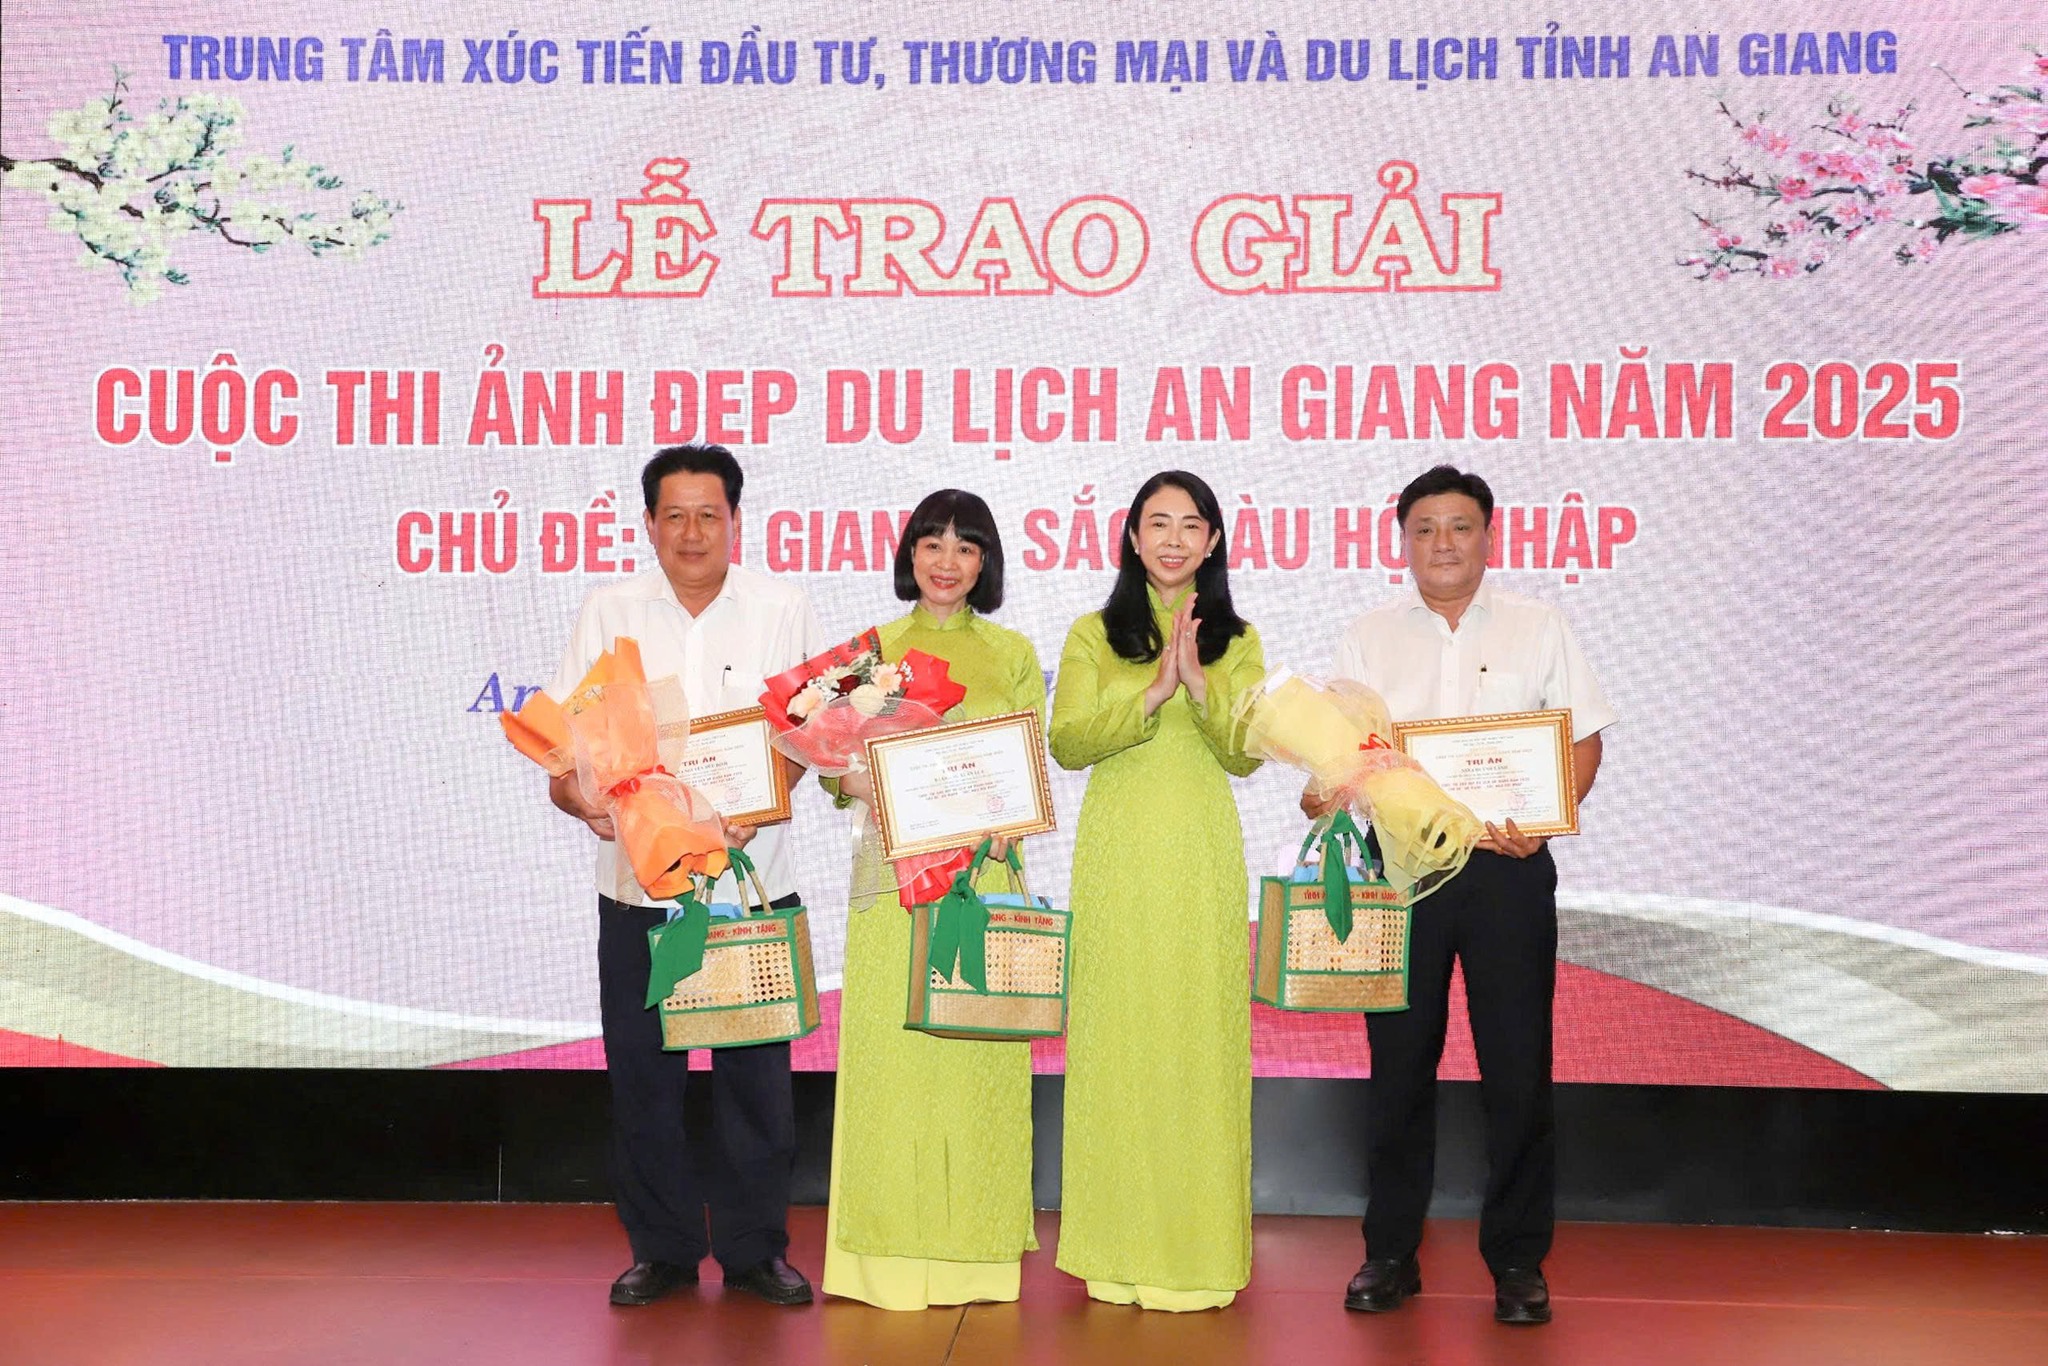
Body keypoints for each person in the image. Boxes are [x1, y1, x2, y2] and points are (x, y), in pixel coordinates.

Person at [1312, 464, 1615, 1327]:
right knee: (1399, 1067)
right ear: (1403, 541)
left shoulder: (1538, 626)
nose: (1442, 544)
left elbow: (1583, 741)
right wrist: (1338, 787)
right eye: (1425, 529)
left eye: (1459, 527)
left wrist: (1546, 822)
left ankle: (1518, 1260)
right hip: (1403, 873)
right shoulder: (1369, 638)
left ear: (1488, 535)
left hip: (1508, 870)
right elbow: (1345, 756)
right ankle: (1389, 1252)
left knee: (1517, 1068)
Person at [544, 444, 825, 1308]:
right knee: (644, 1078)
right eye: (675, 516)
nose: (693, 532)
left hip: (747, 883)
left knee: (754, 1082)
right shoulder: (610, 610)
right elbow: (566, 752)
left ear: (736, 520)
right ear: (649, 523)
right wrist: (580, 799)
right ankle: (661, 1250)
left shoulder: (781, 608)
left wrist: (765, 797)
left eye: (710, 515)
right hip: (640, 887)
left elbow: (807, 736)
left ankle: (754, 1250)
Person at [821, 489, 1046, 1311]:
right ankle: (879, 1260)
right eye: (932, 543)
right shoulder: (869, 651)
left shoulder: (1012, 652)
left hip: (980, 878)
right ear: (909, 553)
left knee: (975, 1062)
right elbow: (832, 766)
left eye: (966, 547)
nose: (947, 562)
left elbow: (1026, 763)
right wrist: (855, 781)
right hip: (893, 882)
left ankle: (975, 1256)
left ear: (985, 562)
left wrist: (1003, 818)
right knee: (894, 1067)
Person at [1048, 470, 1265, 1311]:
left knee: (1197, 1040)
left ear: (1213, 541)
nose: (1174, 539)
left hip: (1201, 858)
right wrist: (1154, 691)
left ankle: (1199, 1251)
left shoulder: (1238, 640)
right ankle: (1115, 1248)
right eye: (1158, 523)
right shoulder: (1092, 633)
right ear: (1133, 537)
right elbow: (1068, 740)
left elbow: (1246, 754)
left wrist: (1203, 686)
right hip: (1118, 859)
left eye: (1191, 525)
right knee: (1118, 1041)